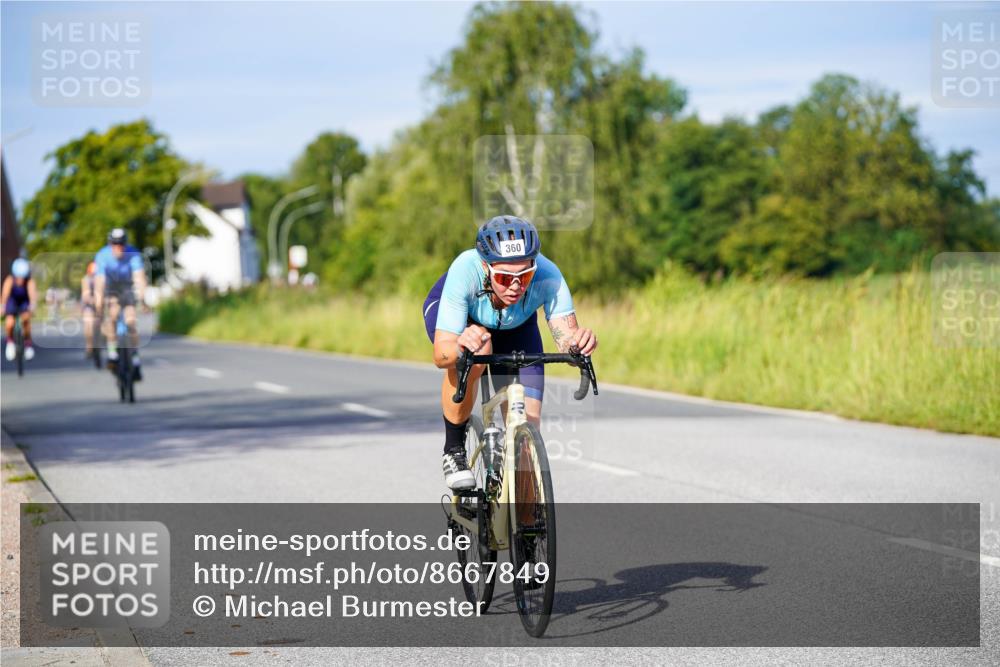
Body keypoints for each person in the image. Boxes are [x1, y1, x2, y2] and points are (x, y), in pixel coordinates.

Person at [423, 215, 598, 490]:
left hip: (517, 325)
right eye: (505, 277)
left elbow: (566, 337)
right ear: (485, 266)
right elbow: (440, 354)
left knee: (528, 440)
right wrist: (459, 346)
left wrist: (578, 345)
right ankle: (454, 450)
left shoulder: (549, 275)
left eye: (525, 276)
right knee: (478, 349)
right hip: (464, 322)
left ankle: (523, 523)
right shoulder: (465, 270)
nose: (516, 286)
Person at [94, 228, 146, 379]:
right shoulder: (102, 256)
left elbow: (139, 278)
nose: (119, 248)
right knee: (112, 317)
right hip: (111, 288)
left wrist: (142, 298)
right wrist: (99, 303)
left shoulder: (133, 254)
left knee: (131, 321)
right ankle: (112, 353)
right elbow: (100, 282)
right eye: (115, 244)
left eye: (122, 244)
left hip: (126, 287)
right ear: (110, 244)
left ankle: (135, 359)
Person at [2, 258, 37, 361]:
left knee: (26, 320)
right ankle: (10, 343)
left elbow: (32, 295)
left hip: (24, 301)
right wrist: (2, 306)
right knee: (10, 323)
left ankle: (27, 344)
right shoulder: (9, 280)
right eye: (18, 277)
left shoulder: (29, 281)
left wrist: (33, 306)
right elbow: (5, 295)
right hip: (12, 300)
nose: (21, 280)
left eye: (23, 277)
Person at [81, 261, 98, 360]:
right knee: (89, 325)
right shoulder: (86, 279)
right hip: (89, 304)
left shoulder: (103, 278)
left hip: (100, 303)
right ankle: (89, 346)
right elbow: (86, 294)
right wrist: (92, 300)